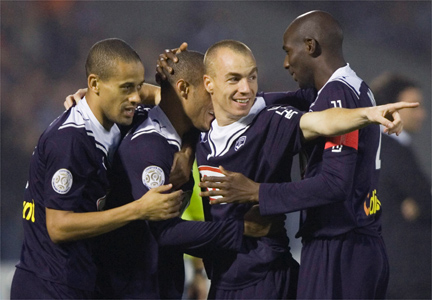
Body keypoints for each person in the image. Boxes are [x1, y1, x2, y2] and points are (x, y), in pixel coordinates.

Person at [160, 39, 414, 299]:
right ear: (208, 84)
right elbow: (159, 96)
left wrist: (368, 114)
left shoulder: (272, 121)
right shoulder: (199, 129)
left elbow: (322, 122)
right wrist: (186, 146)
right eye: (234, 79)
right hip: (223, 281)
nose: (246, 89)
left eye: (252, 77)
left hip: (266, 279)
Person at [66, 50, 282, 299]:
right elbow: (166, 232)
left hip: (161, 283)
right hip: (129, 287)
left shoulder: (184, 132)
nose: (218, 101)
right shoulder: (148, 147)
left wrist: (188, 145)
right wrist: (242, 228)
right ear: (185, 89)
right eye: (209, 93)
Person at [10, 38, 185, 299]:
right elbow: (58, 227)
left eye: (138, 86)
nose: (136, 97)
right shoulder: (71, 140)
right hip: (49, 286)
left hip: (79, 282)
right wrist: (138, 209)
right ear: (94, 84)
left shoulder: (112, 120)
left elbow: (172, 101)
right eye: (126, 88)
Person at [370, 72, 431, 299]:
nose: (423, 115)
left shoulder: (370, 148)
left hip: (378, 271)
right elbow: (427, 202)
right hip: (406, 275)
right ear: (391, 110)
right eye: (415, 107)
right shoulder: (395, 151)